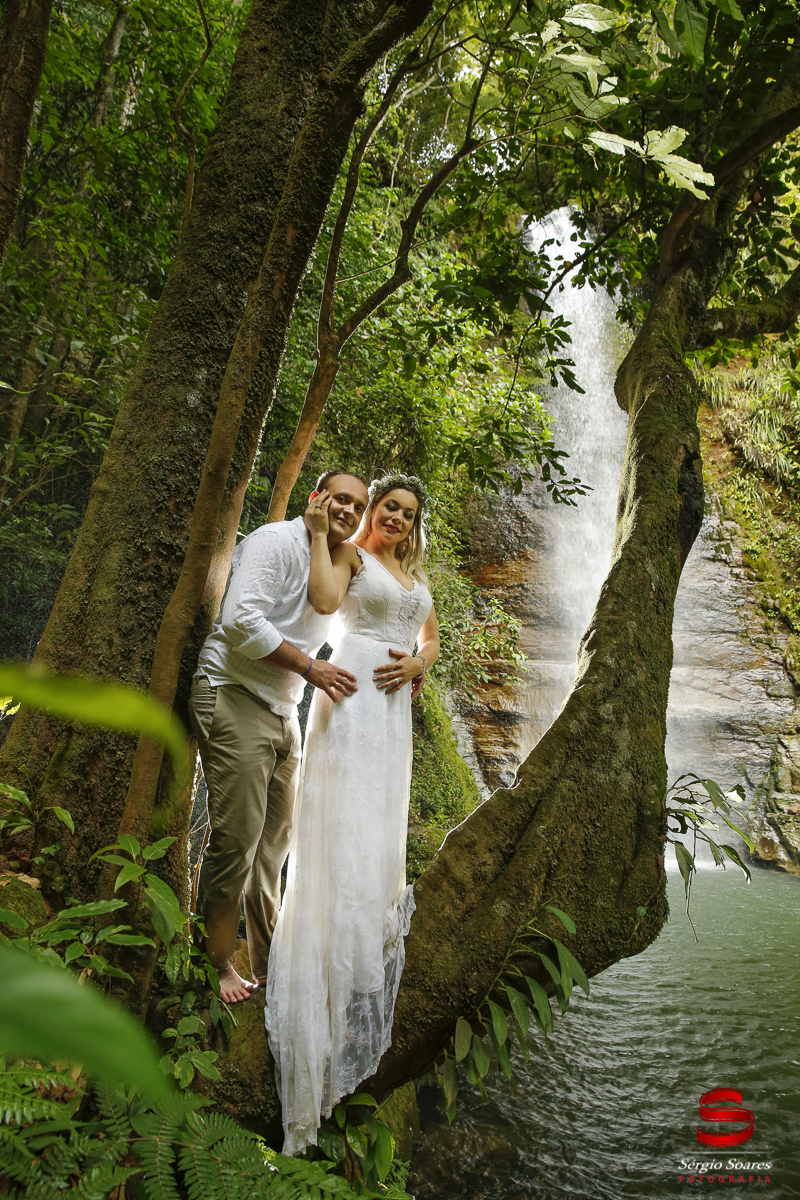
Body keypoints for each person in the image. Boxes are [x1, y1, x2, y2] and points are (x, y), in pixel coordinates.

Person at [265, 472, 440, 1155]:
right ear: (371, 507)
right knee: (339, 827)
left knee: (375, 826)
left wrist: (419, 664)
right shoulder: (349, 554)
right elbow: (327, 601)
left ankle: (361, 958)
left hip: (393, 705)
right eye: (387, 507)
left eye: (406, 512)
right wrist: (317, 534)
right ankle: (325, 978)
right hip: (351, 690)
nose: (395, 518)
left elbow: (429, 634)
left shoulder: (411, 573)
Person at [188, 470, 370, 1004]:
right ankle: (215, 962)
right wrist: (310, 668)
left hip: (284, 712)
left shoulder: (331, 558)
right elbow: (240, 621)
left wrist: (414, 656)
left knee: (272, 851)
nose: (348, 512)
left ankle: (267, 966)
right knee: (238, 837)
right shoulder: (274, 542)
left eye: (357, 507)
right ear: (316, 498)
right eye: (340, 500)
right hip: (233, 692)